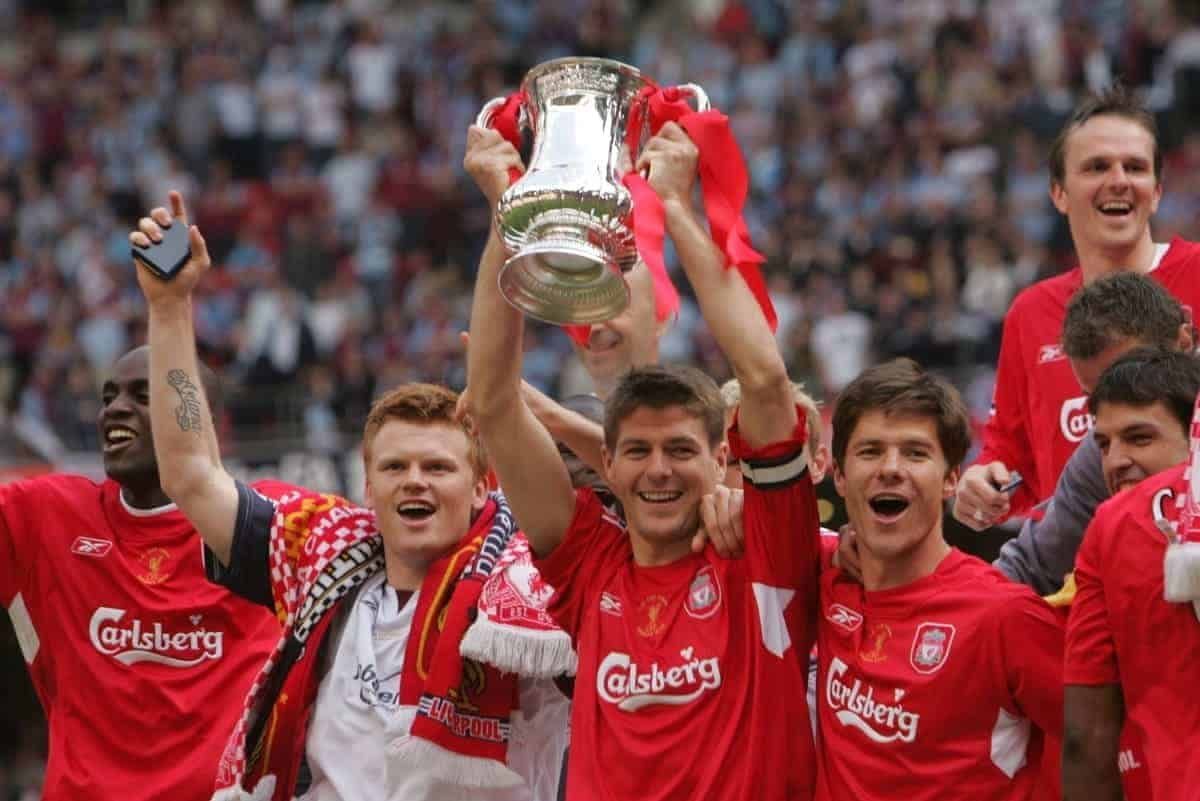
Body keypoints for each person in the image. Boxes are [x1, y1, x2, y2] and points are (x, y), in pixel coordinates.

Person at [131, 193, 570, 801]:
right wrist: (171, 307)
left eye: (437, 467)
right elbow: (189, 474)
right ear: (369, 488)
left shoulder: (534, 588)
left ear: (480, 488)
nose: (414, 479)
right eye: (395, 466)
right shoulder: (323, 556)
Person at [464, 118, 820, 801]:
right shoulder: (589, 563)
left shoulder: (766, 554)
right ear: (610, 464)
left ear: (722, 456)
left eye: (681, 449)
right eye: (638, 451)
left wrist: (680, 211)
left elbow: (769, 383)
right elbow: (495, 403)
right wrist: (506, 217)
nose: (658, 469)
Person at [0, 345, 282, 801]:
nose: (115, 409)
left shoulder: (273, 522)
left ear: (206, 423)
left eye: (143, 396)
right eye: (108, 397)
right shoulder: (44, 518)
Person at [817, 359, 1063, 801]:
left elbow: (1103, 742)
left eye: (915, 453)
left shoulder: (1004, 615)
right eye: (870, 451)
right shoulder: (819, 576)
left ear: (951, 479)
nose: (891, 468)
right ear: (838, 475)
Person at [955, 85, 1200, 530]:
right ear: (1058, 193)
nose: (1119, 179)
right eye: (1097, 167)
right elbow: (1010, 458)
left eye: (1135, 167)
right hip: (1073, 582)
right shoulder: (1030, 313)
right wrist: (981, 481)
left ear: (1158, 191)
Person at [993, 272, 1192, 594]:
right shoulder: (1101, 457)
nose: (1112, 407)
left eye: (1131, 382)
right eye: (1096, 396)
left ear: (1184, 342)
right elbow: (1028, 568)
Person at [1062, 348, 1200, 801]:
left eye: (1139, 438)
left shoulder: (1112, 526)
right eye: (1104, 444)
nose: (1115, 461)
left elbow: (1087, 737)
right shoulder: (1102, 535)